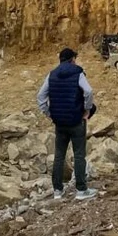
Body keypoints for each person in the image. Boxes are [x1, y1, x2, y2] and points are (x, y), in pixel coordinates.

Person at [36, 47, 97, 199]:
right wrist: (87, 110)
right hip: (76, 120)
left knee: (59, 155)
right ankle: (81, 190)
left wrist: (49, 114)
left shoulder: (51, 75)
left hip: (60, 123)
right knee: (79, 155)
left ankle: (57, 190)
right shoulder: (78, 73)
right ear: (73, 59)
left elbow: (40, 97)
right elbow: (88, 92)